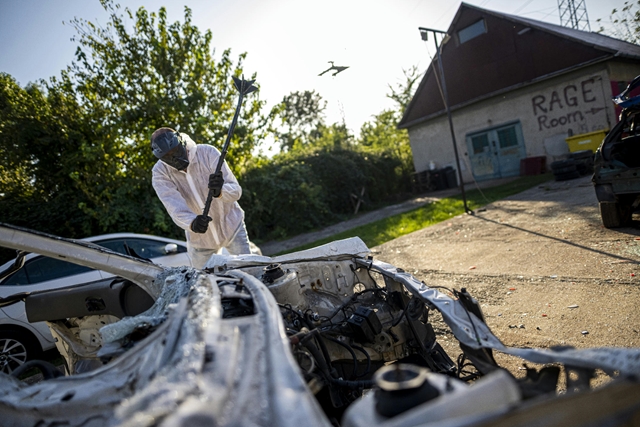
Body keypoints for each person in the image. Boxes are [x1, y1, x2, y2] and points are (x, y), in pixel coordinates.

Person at [150, 127, 251, 269]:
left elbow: (236, 191)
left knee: (252, 270)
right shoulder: (160, 172)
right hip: (201, 242)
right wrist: (192, 222)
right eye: (167, 157)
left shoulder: (207, 152)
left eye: (176, 151)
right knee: (204, 285)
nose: (174, 159)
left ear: (182, 142)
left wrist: (221, 191)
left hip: (232, 227)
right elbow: (174, 206)